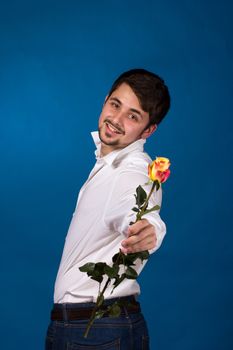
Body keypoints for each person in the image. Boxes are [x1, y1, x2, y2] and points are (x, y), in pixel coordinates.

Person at [45, 68, 170, 350]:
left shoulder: (131, 172)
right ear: (105, 101)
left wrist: (151, 231)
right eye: (115, 105)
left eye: (133, 116)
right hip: (92, 329)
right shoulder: (107, 165)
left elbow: (142, 213)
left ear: (148, 130)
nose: (116, 119)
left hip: (95, 332)